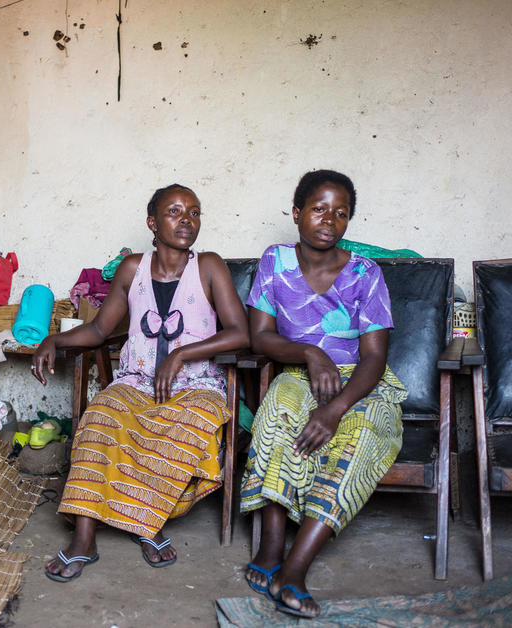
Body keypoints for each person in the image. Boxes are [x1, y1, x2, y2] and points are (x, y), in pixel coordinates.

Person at [31, 184, 249, 582]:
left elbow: (240, 333)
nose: (187, 220)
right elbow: (99, 329)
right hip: (137, 379)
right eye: (175, 211)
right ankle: (84, 537)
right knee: (99, 418)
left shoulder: (210, 266)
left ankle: (146, 521)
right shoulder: (133, 269)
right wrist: (54, 340)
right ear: (152, 222)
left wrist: (182, 354)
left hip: (196, 383)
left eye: (195, 212)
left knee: (176, 427)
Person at [240, 170, 407, 618]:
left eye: (341, 212)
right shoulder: (275, 261)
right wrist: (311, 353)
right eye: (318, 209)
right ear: (296, 214)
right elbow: (260, 337)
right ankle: (271, 548)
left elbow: (374, 357)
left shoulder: (364, 273)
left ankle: (295, 568)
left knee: (363, 437)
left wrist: (336, 408)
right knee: (277, 411)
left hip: (361, 385)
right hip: (299, 370)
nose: (329, 219)